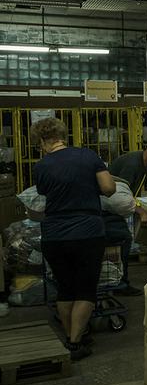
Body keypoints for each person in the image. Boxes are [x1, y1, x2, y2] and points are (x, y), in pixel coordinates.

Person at [31, 117, 116, 360]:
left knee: (66, 288)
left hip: (54, 234)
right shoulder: (88, 157)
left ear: (44, 141)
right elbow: (109, 188)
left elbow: (45, 194)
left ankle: (71, 336)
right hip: (87, 232)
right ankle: (75, 341)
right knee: (86, 288)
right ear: (62, 136)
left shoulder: (42, 166)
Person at [106, 139, 147, 296]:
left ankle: (116, 281)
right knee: (123, 240)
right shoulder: (132, 165)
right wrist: (142, 212)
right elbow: (119, 196)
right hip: (108, 208)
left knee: (121, 241)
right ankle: (119, 284)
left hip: (113, 207)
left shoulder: (143, 164)